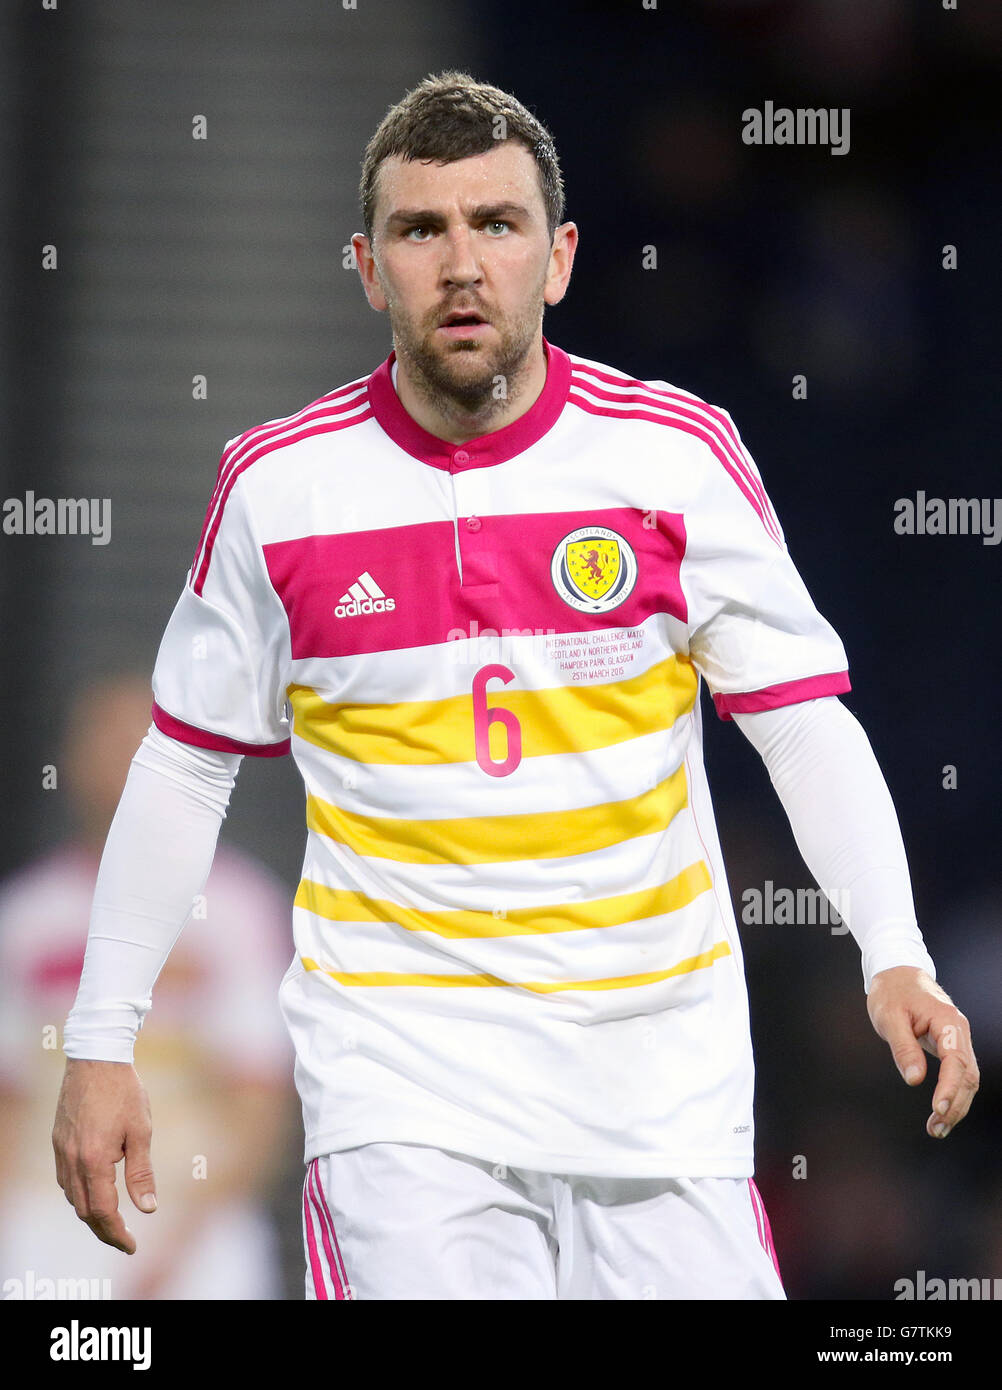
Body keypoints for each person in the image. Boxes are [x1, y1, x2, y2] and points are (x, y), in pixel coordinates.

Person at [53, 71, 979, 1301]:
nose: (461, 261)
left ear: (560, 256)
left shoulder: (673, 456)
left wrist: (894, 953)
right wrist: (104, 1034)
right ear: (368, 266)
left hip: (660, 1087)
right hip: (404, 1094)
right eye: (420, 229)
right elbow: (184, 764)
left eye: (497, 224)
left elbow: (802, 727)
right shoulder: (279, 490)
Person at [1, 675, 296, 1300]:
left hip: (194, 1237)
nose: (121, 760)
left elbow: (257, 1102)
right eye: (103, 738)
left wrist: (177, 1249)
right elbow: (9, 1098)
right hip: (42, 1236)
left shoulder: (240, 909)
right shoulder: (26, 917)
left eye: (140, 741)